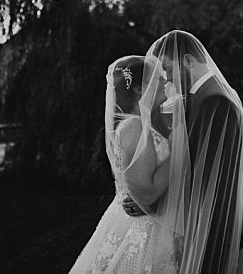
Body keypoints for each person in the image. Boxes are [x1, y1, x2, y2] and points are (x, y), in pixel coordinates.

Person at [120, 31, 243, 274]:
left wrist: (153, 205)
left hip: (212, 223)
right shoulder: (201, 98)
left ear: (189, 61)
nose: (166, 78)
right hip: (199, 221)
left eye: (169, 69)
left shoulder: (215, 101)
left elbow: (208, 179)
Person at [69, 55, 180, 273]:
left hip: (151, 221)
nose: (165, 82)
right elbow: (147, 195)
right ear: (139, 89)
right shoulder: (134, 128)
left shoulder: (138, 125)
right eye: (158, 78)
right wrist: (177, 151)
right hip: (140, 229)